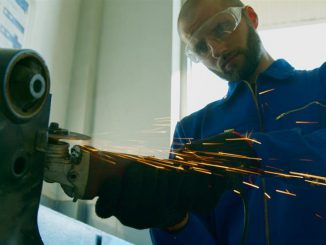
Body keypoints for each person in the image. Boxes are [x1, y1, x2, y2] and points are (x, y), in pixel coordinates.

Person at [82, 0, 326, 244]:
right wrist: (174, 224)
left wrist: (251, 149)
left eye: (221, 28)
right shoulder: (192, 130)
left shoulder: (320, 84)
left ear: (250, 17)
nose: (216, 50)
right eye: (199, 47)